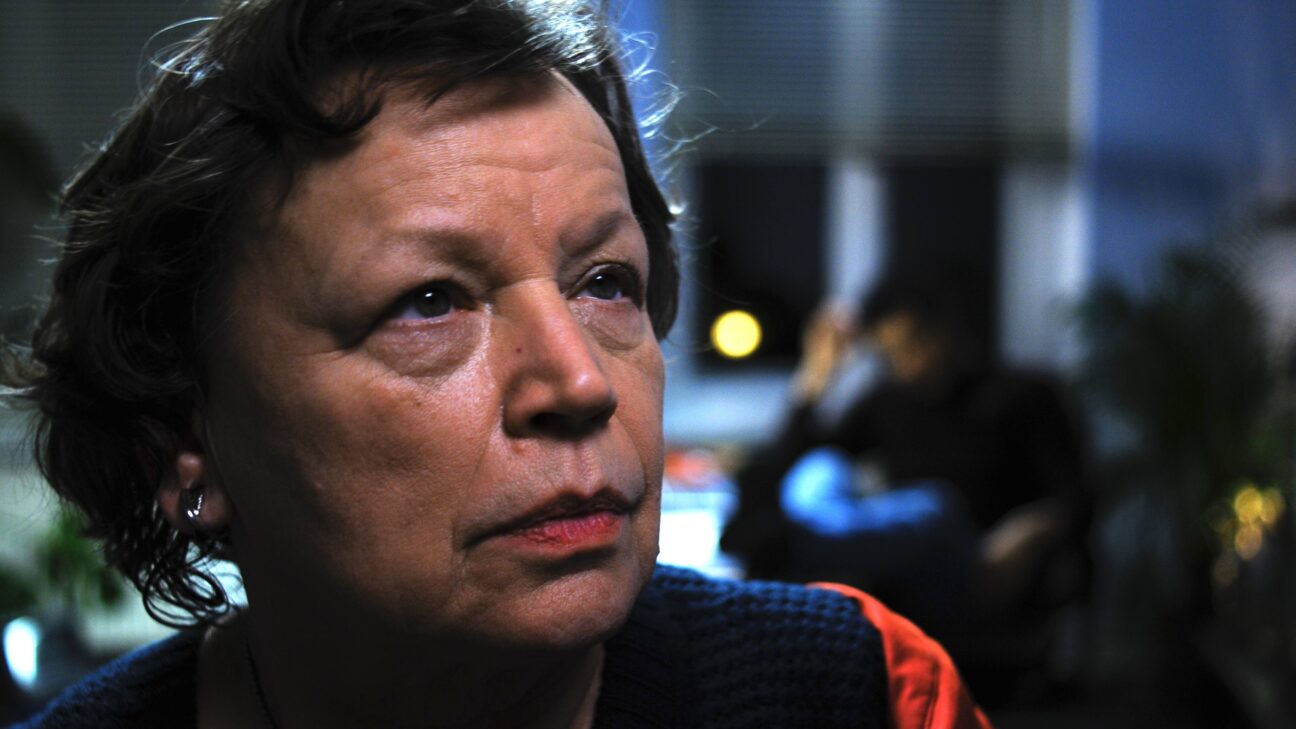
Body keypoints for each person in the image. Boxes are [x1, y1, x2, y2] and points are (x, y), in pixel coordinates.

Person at [1, 2, 991, 727]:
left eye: (604, 282)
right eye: (428, 301)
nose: (581, 383)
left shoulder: (863, 692)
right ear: (188, 438)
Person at [722, 275, 1090, 635]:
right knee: (824, 466)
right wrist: (815, 377)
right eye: (891, 354)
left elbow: (1076, 493)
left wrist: (1036, 528)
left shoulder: (1023, 395)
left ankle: (782, 543)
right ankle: (793, 538)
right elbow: (796, 458)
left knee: (933, 505)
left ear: (944, 330)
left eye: (914, 343)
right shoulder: (887, 402)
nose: (908, 363)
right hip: (903, 570)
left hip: (978, 566)